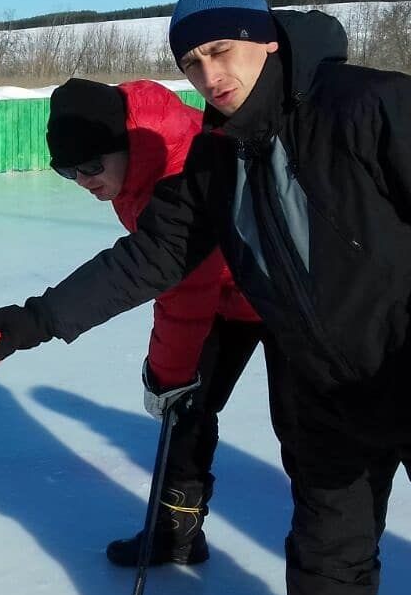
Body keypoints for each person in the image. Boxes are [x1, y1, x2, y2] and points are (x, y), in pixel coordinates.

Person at [0, 0, 409, 595]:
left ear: (267, 39)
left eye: (222, 51)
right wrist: (38, 320)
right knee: (328, 557)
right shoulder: (215, 155)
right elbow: (153, 255)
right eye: (193, 61)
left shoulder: (365, 106)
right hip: (324, 391)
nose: (210, 76)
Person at [45, 76, 292, 567]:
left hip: (284, 296)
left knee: (306, 433)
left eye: (91, 166)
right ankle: (176, 531)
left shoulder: (176, 161)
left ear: (123, 144)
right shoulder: (128, 170)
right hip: (227, 293)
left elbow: (183, 286)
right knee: (187, 412)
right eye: (67, 172)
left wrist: (167, 376)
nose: (84, 181)